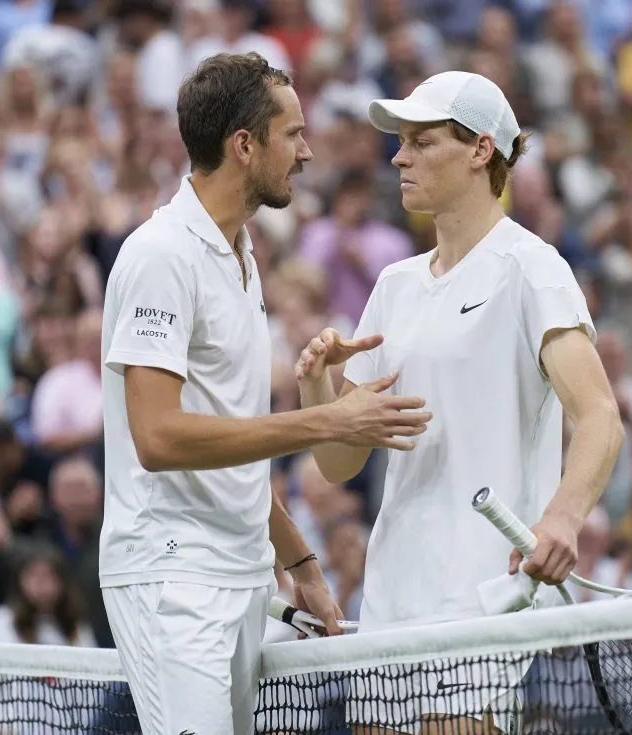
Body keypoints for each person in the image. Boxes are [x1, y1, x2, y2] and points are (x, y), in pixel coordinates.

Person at [98, 52, 432, 735]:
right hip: (172, 575)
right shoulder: (161, 255)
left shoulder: (243, 256)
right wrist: (325, 419)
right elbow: (159, 438)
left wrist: (300, 561)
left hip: (244, 575)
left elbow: (233, 438)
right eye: (293, 134)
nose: (307, 152)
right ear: (243, 146)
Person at [295, 70, 624, 735]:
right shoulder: (394, 285)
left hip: (482, 597)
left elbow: (599, 415)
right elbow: (340, 464)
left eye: (422, 141)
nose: (398, 156)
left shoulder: (531, 267)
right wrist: (318, 390)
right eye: (400, 142)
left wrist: (562, 518)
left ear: (481, 150)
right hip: (390, 594)